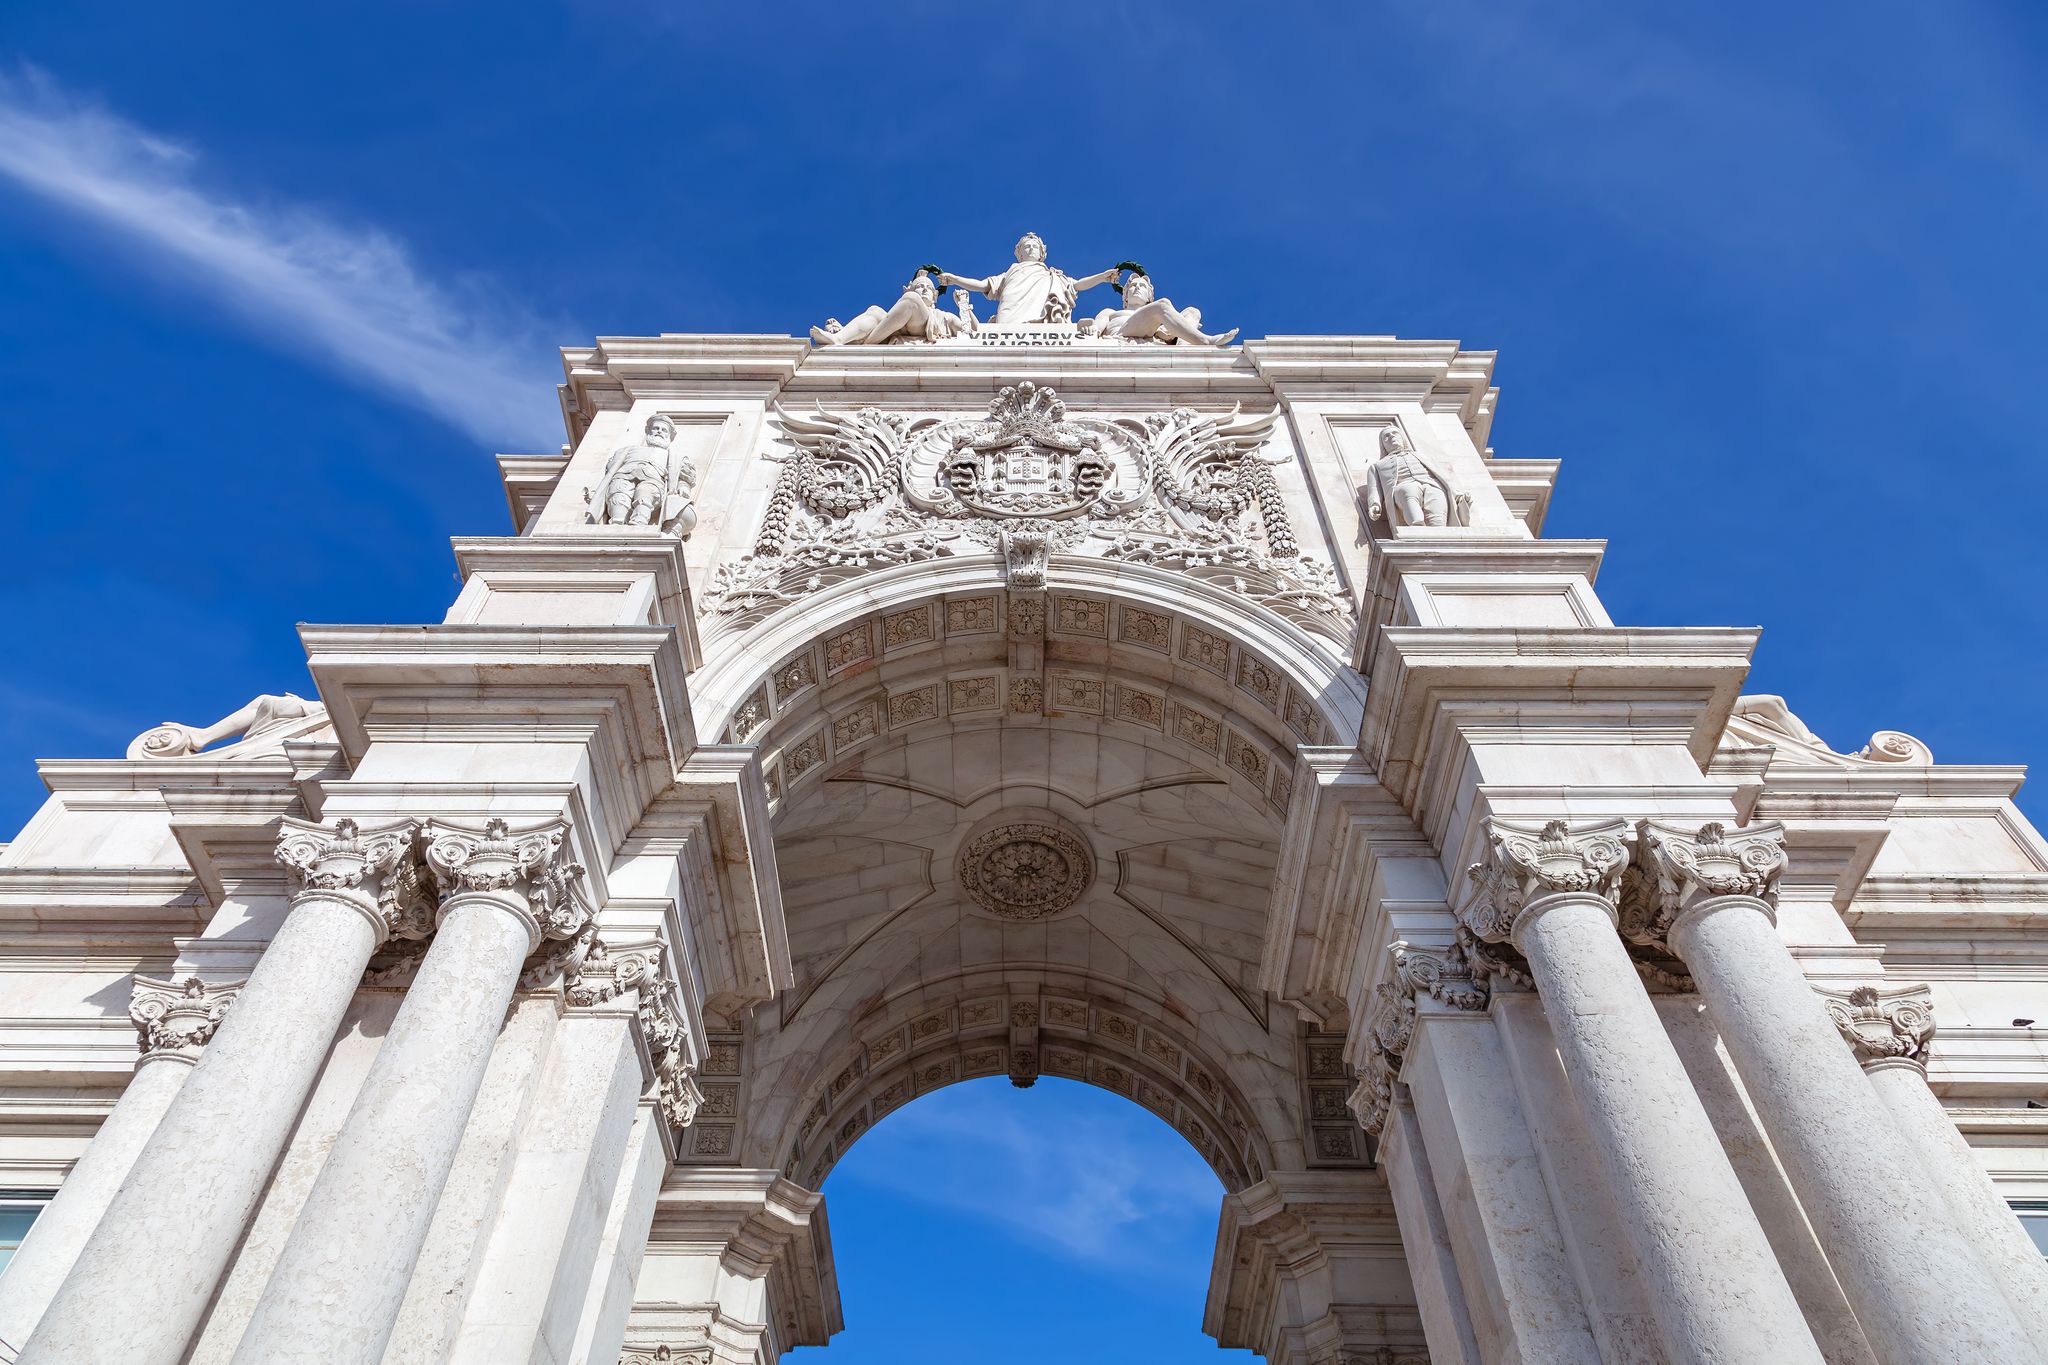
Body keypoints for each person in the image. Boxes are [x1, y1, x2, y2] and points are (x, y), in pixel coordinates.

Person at [937, 233, 1118, 324]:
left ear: (1042, 253)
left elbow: (1077, 285)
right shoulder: (1010, 273)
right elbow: (983, 285)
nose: (1031, 249)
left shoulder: (1053, 275)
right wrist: (954, 279)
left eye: (1034, 246)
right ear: (1019, 253)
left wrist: (1102, 277)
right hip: (1010, 313)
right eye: (1026, 246)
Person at [595, 413, 697, 533]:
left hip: (653, 480)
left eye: (664, 430)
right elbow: (611, 468)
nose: (659, 431)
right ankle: (616, 524)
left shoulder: (674, 457)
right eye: (656, 428)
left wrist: (683, 486)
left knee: (645, 494)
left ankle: (639, 525)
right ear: (648, 431)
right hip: (623, 476)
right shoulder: (628, 450)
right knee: (618, 494)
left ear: (669, 436)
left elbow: (685, 475)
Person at [810, 273, 972, 346]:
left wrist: (964, 306)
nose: (923, 289)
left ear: (935, 296)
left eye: (928, 287)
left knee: (911, 301)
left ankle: (861, 341)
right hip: (896, 329)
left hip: (923, 327)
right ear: (908, 289)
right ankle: (840, 338)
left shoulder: (944, 317)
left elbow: (974, 332)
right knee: (875, 310)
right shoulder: (904, 305)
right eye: (919, 286)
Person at [1081, 270, 1238, 346]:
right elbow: (1097, 326)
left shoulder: (1156, 316)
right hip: (1123, 335)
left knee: (1192, 311)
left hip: (1152, 332)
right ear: (1125, 296)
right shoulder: (1111, 312)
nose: (1137, 288)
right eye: (1133, 286)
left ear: (1149, 297)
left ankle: (1182, 347)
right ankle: (1205, 340)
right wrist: (1094, 329)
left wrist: (1161, 331)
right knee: (1162, 305)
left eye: (1142, 286)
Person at [1365, 426, 1469, 529]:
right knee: (1408, 490)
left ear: (1402, 438)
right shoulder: (1377, 466)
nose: (1391, 436)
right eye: (1386, 436)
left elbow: (1443, 476)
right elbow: (1374, 489)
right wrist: (1375, 504)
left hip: (1432, 483)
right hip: (1405, 484)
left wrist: (1457, 494)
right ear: (1382, 444)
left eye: (1395, 433)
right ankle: (1417, 528)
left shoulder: (1422, 455)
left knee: (1437, 503)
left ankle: (1439, 534)